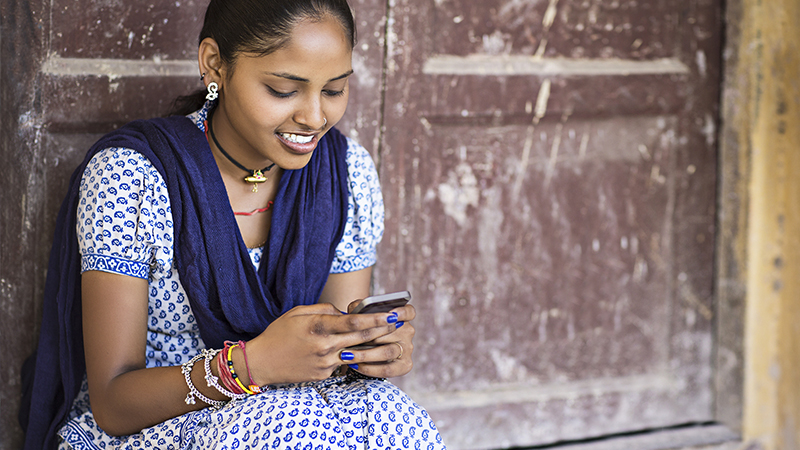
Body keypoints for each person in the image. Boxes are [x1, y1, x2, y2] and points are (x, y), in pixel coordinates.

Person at [19, 0, 446, 448]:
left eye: (334, 90)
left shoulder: (342, 173)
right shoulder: (135, 177)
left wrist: (365, 349)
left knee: (394, 415)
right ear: (214, 64)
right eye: (284, 90)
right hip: (157, 429)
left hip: (298, 417)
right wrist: (253, 364)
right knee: (283, 429)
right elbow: (113, 403)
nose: (315, 117)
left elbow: (337, 356)